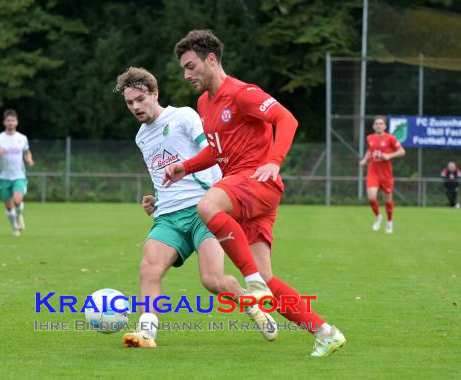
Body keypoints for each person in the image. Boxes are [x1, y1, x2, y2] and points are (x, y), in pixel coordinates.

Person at [164, 29, 345, 357]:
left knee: (208, 206)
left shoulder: (242, 93)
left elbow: (286, 119)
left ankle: (252, 281)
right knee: (267, 278)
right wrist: (185, 167)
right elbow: (219, 151)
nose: (186, 74)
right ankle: (326, 333)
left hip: (257, 182)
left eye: (190, 66)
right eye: (183, 69)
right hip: (242, 187)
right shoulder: (204, 102)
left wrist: (274, 161)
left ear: (211, 59)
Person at [114, 67, 277, 348]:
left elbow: (214, 154)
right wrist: (157, 199)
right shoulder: (141, 137)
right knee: (148, 269)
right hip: (168, 218)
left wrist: (222, 194)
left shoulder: (184, 116)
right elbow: (162, 174)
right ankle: (146, 333)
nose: (136, 107)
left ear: (155, 93)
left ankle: (251, 305)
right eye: (130, 103)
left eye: (140, 99)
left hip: (203, 210)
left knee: (212, 281)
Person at [0, 109, 34, 236]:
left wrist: (29, 159)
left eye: (13, 120)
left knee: (17, 201)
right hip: (4, 177)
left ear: (17, 122)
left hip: (19, 175)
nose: (10, 123)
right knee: (8, 205)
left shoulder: (22, 138)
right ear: (4, 122)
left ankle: (19, 217)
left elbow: (27, 151)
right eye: (8, 120)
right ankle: (15, 227)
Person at [359, 116, 406, 233]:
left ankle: (390, 222)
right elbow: (370, 150)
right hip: (373, 171)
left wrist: (389, 156)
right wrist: (365, 160)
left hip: (386, 174)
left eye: (381, 123)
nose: (378, 125)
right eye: (376, 123)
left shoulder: (390, 138)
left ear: (385, 126)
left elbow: (402, 151)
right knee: (371, 197)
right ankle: (378, 216)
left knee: (388, 200)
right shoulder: (369, 138)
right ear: (374, 126)